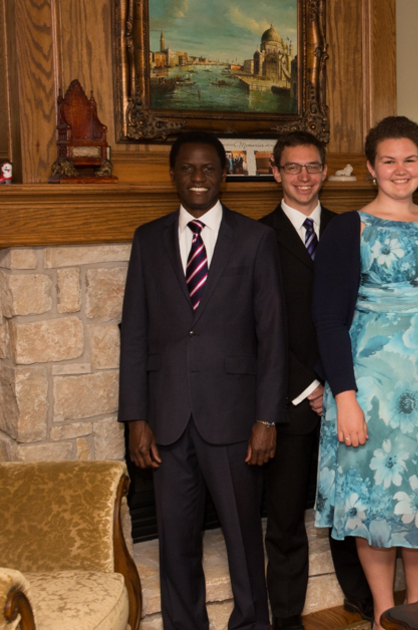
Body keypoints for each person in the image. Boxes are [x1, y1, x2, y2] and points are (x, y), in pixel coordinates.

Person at [312, 116, 418, 629]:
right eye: (388, 160)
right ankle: (383, 613)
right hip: (373, 389)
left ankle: (416, 608)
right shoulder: (349, 227)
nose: (400, 169)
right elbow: (326, 317)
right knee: (376, 501)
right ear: (371, 167)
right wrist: (344, 395)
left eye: (410, 159)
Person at [119, 131, 286, 630]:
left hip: (236, 419)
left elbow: (272, 335)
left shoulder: (255, 239)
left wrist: (266, 417)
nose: (197, 178)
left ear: (224, 176)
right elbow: (135, 333)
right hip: (166, 420)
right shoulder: (147, 240)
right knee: (175, 544)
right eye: (187, 169)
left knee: (241, 539)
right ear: (173, 175)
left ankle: (252, 623)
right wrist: (135, 417)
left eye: (208, 169)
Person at [259, 131, 373, 629]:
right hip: (292, 396)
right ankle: (285, 617)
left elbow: (361, 314)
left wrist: (337, 384)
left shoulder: (352, 230)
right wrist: (310, 386)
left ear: (325, 171)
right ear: (276, 172)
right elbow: (259, 326)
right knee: (285, 515)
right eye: (292, 168)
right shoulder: (257, 236)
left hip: (348, 393)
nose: (303, 177)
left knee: (349, 509)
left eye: (312, 167)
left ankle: (363, 599)